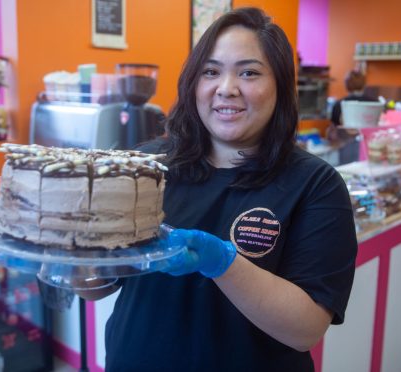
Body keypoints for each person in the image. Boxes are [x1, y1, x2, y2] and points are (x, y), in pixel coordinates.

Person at [78, 7, 357, 371]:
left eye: (249, 72)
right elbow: (100, 284)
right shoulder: (146, 167)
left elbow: (304, 330)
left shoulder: (315, 184)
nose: (226, 89)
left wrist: (221, 262)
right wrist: (65, 259)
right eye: (211, 72)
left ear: (280, 85)